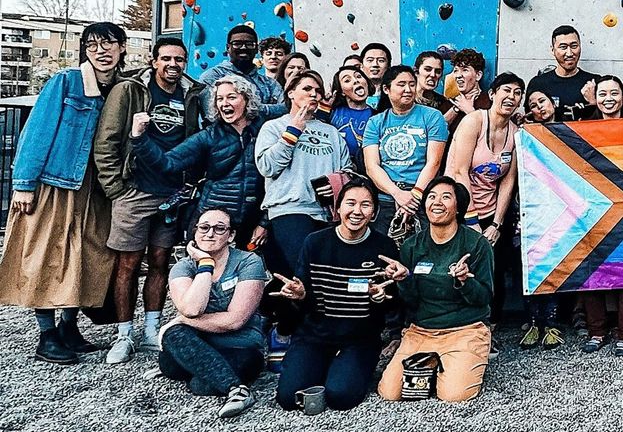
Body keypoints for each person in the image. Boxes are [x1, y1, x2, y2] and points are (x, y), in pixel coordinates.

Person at [0, 22, 126, 364]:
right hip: (57, 183)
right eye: (93, 45)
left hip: (97, 188)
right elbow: (36, 132)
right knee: (49, 253)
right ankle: (47, 334)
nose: (102, 51)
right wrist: (24, 184)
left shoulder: (122, 91)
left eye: (109, 44)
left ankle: (70, 327)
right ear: (84, 50)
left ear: (122, 49)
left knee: (87, 255)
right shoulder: (66, 83)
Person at [93, 37, 204, 364]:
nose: (173, 65)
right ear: (154, 60)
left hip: (171, 194)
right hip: (135, 189)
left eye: (179, 60)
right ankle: (124, 334)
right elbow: (107, 139)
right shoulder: (130, 90)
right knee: (127, 265)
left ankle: (152, 330)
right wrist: (116, 188)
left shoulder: (192, 93)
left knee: (160, 262)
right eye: (166, 58)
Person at [272, 180, 403, 412]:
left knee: (341, 397)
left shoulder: (384, 247)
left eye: (365, 205)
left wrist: (380, 297)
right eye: (350, 203)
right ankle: (323, 364)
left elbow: (391, 302)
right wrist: (300, 295)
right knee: (289, 397)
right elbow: (303, 293)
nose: (357, 211)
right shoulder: (315, 242)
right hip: (315, 334)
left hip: (359, 337)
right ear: (338, 208)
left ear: (373, 213)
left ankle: (342, 368)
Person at [378, 177, 495, 402]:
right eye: (431, 197)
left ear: (459, 207)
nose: (436, 202)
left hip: (465, 330)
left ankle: (464, 359)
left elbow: (484, 298)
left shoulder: (476, 244)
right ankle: (437, 364)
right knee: (390, 393)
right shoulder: (412, 245)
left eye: (445, 197)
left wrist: (464, 282)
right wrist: (404, 280)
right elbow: (410, 302)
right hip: (421, 331)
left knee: (454, 395)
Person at [133, 75, 269, 249]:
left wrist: (265, 222)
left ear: (247, 99)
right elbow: (168, 163)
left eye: (231, 97)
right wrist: (139, 138)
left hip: (250, 224)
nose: (224, 103)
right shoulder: (209, 136)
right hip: (213, 221)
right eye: (219, 99)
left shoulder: (264, 127)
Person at [158, 208, 268, 419]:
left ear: (231, 235)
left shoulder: (248, 261)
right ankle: (233, 386)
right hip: (198, 342)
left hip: (239, 346)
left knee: (200, 384)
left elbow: (235, 321)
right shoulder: (183, 267)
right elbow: (192, 308)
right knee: (173, 350)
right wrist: (205, 264)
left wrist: (181, 320)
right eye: (204, 227)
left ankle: (230, 388)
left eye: (219, 229)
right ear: (195, 231)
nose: (210, 234)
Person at [256, 70, 351, 277]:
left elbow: (348, 170)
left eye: (318, 91)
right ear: (290, 93)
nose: (314, 95)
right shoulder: (273, 127)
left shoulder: (331, 132)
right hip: (289, 209)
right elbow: (267, 167)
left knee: (323, 275)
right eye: (307, 89)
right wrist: (292, 133)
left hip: (326, 213)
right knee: (303, 273)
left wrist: (336, 183)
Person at [446, 73, 523, 326]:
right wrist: (472, 222)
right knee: (461, 268)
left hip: (491, 209)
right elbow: (459, 171)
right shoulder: (474, 121)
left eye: (517, 93)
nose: (511, 97)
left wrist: (496, 224)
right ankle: (458, 325)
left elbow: (508, 181)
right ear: (492, 94)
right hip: (459, 208)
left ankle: (489, 326)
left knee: (494, 270)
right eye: (506, 90)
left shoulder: (515, 133)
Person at [579, 77, 623, 355]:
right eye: (603, 93)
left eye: (614, 93)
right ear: (596, 98)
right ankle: (597, 331)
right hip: (593, 208)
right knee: (592, 272)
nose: (608, 98)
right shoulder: (581, 130)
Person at [364, 65, 450, 237]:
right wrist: (397, 194)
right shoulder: (375, 122)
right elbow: (372, 166)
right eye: (401, 84)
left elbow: (434, 162)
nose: (408, 89)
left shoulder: (432, 116)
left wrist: (414, 197)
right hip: (387, 197)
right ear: (386, 89)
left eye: (412, 84)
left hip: (423, 196)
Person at [514, 90, 567, 349]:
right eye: (532, 105)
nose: (539, 107)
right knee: (530, 267)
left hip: (561, 208)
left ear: (553, 102)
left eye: (542, 101)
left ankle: (553, 324)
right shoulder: (525, 135)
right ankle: (535, 322)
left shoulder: (568, 131)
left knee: (554, 265)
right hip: (531, 208)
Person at [198, 25, 285, 122]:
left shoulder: (269, 84)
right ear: (228, 48)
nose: (243, 48)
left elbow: (286, 108)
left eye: (249, 44)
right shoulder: (211, 77)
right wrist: (266, 110)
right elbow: (212, 116)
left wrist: (249, 108)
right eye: (237, 44)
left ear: (256, 49)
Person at [527, 25, 599, 122]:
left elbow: (606, 122)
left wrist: (593, 103)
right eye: (563, 47)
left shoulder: (594, 82)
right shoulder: (538, 84)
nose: (569, 53)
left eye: (574, 46)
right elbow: (530, 122)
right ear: (553, 50)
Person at [328, 65, 374, 171]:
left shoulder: (378, 116)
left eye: (358, 76)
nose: (355, 81)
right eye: (347, 80)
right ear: (342, 91)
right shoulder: (333, 112)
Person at [446, 49, 493, 133]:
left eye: (465, 70)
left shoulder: (490, 102)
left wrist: (470, 111)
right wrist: (456, 108)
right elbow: (436, 131)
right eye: (456, 70)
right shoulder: (450, 102)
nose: (458, 75)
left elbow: (493, 133)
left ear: (478, 75)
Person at [414, 51, 454, 117]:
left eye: (438, 71)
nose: (433, 75)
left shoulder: (444, 104)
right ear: (416, 71)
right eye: (428, 69)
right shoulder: (406, 99)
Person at [360, 43, 393, 108]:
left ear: (389, 66)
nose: (375, 64)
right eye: (370, 60)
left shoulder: (394, 93)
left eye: (381, 60)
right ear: (361, 66)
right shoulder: (353, 94)